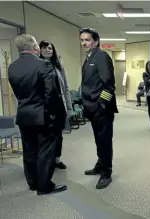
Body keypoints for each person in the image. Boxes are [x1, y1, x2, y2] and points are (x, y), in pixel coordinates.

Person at [8, 34, 67, 195]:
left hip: (24, 115)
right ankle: (44, 185)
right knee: (45, 151)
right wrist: (54, 114)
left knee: (29, 150)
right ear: (34, 47)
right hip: (43, 115)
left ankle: (33, 183)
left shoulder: (12, 67)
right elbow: (51, 93)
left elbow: (18, 93)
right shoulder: (44, 65)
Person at [79, 27, 118, 189]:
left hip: (102, 109)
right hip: (91, 108)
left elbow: (109, 85)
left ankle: (106, 173)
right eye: (81, 40)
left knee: (104, 141)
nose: (84, 43)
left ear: (96, 41)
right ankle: (100, 164)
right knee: (99, 140)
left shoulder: (101, 56)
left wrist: (101, 105)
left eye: (87, 40)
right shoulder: (89, 58)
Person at [39, 40, 72, 170]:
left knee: (58, 135)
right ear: (40, 50)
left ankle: (57, 159)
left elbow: (66, 88)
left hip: (59, 106)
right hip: (45, 107)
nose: (48, 50)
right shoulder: (39, 66)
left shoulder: (58, 66)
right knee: (47, 136)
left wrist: (69, 107)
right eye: (45, 48)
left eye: (50, 48)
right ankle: (47, 161)